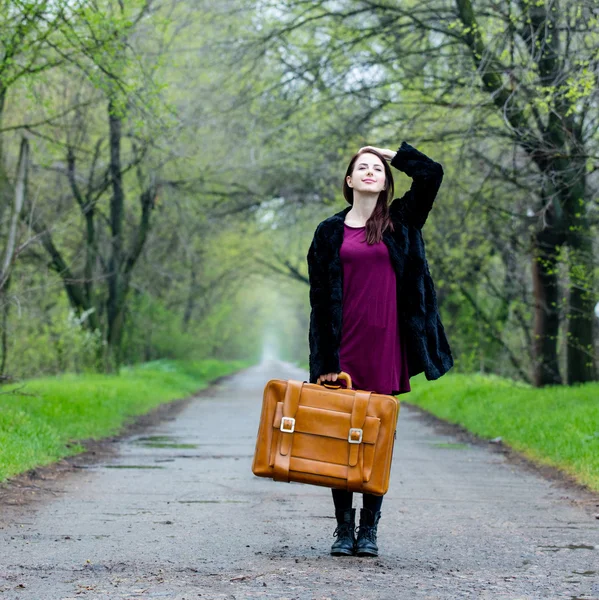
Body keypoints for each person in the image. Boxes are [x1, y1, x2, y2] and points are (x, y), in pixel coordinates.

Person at [306, 141, 453, 557]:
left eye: (377, 169)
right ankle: (342, 530)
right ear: (349, 181)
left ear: (385, 180)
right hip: (343, 350)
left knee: (376, 439)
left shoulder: (402, 222)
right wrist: (323, 363)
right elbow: (319, 302)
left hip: (386, 346)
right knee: (340, 439)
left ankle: (369, 530)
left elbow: (431, 174)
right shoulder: (328, 232)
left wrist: (388, 153)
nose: (370, 171)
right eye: (362, 167)